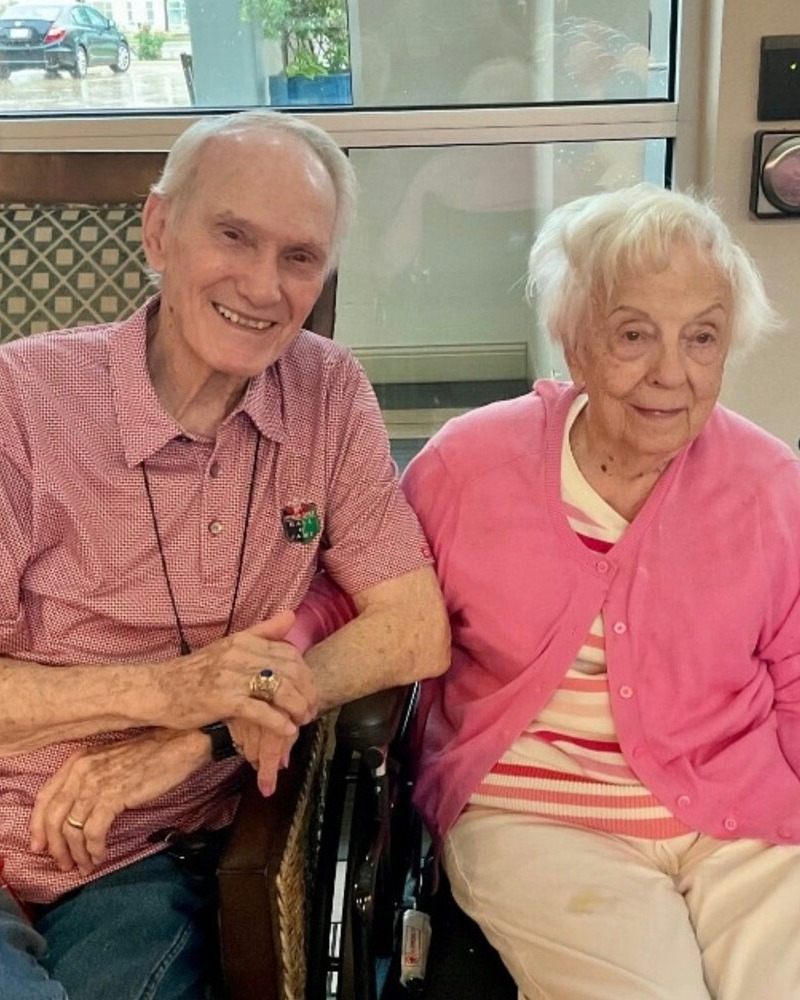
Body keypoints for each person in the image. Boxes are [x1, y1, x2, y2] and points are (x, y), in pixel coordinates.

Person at [0, 109, 449, 1000]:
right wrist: (171, 691)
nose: (262, 285)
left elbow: (414, 626)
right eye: (233, 235)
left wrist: (202, 734)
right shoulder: (22, 400)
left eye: (299, 257)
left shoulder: (326, 392)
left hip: (142, 862)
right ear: (159, 230)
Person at [402, 183, 800, 999]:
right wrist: (283, 657)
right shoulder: (470, 466)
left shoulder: (769, 484)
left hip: (740, 817)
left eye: (701, 338)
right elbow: (363, 595)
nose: (671, 374)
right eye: (633, 335)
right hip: (538, 817)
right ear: (573, 341)